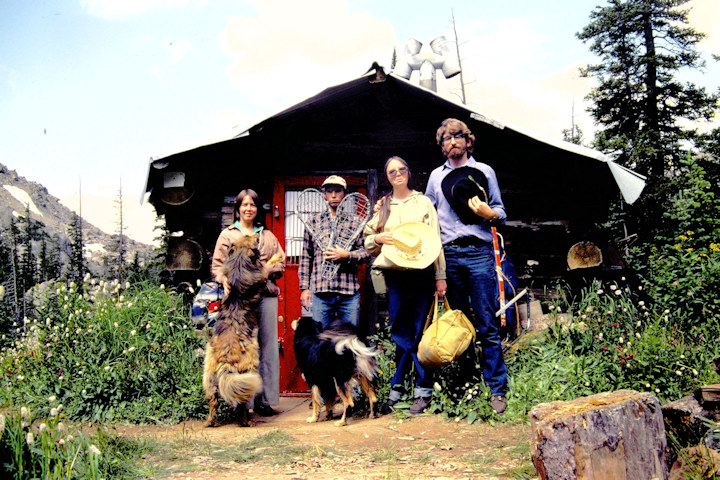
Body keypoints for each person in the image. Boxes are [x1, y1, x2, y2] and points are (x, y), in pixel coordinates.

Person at [425, 118, 509, 414]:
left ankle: (497, 388)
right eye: (445, 139)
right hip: (450, 254)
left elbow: (501, 212)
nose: (452, 142)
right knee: (459, 322)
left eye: (457, 137)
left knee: (486, 320)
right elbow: (427, 216)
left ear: (468, 140)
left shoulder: (484, 171)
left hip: (479, 253)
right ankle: (466, 386)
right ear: (442, 146)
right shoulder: (436, 177)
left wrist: (490, 214)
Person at [364, 156, 446, 415]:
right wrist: (378, 236)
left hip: (421, 274)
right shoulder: (384, 205)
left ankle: (421, 390)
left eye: (401, 170)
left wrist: (440, 275)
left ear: (408, 173)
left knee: (419, 331)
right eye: (391, 172)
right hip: (396, 276)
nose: (397, 174)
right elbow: (368, 239)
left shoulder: (423, 202)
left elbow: (436, 240)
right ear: (387, 177)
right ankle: (399, 386)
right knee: (400, 332)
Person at [211, 189, 286, 417]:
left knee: (267, 347)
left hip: (265, 297)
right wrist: (224, 280)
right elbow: (217, 266)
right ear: (238, 208)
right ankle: (241, 401)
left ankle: (265, 399)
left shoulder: (268, 237)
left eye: (252, 204)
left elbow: (281, 264)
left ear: (257, 208)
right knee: (241, 349)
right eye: (244, 204)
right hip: (239, 302)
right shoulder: (227, 235)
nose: (248, 208)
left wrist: (267, 270)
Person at [298, 175, 369, 329]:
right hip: (320, 292)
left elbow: (367, 252)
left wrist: (347, 255)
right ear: (324, 194)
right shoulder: (313, 221)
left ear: (345, 193)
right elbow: (305, 256)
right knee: (322, 340)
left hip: (348, 292)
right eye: (329, 191)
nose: (334, 195)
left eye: (338, 191)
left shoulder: (355, 221)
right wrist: (304, 288)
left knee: (349, 340)